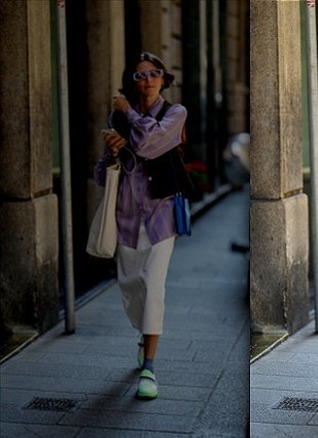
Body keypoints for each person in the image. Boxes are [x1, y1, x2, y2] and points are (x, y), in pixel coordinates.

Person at [94, 52, 187, 400]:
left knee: (153, 286)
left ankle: (149, 367)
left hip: (161, 216)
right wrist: (113, 153)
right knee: (131, 287)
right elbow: (100, 174)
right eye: (139, 75)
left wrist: (129, 116)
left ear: (164, 79)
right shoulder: (117, 119)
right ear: (131, 83)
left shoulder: (175, 113)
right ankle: (143, 335)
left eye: (154, 73)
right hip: (126, 216)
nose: (147, 79)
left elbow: (150, 144)